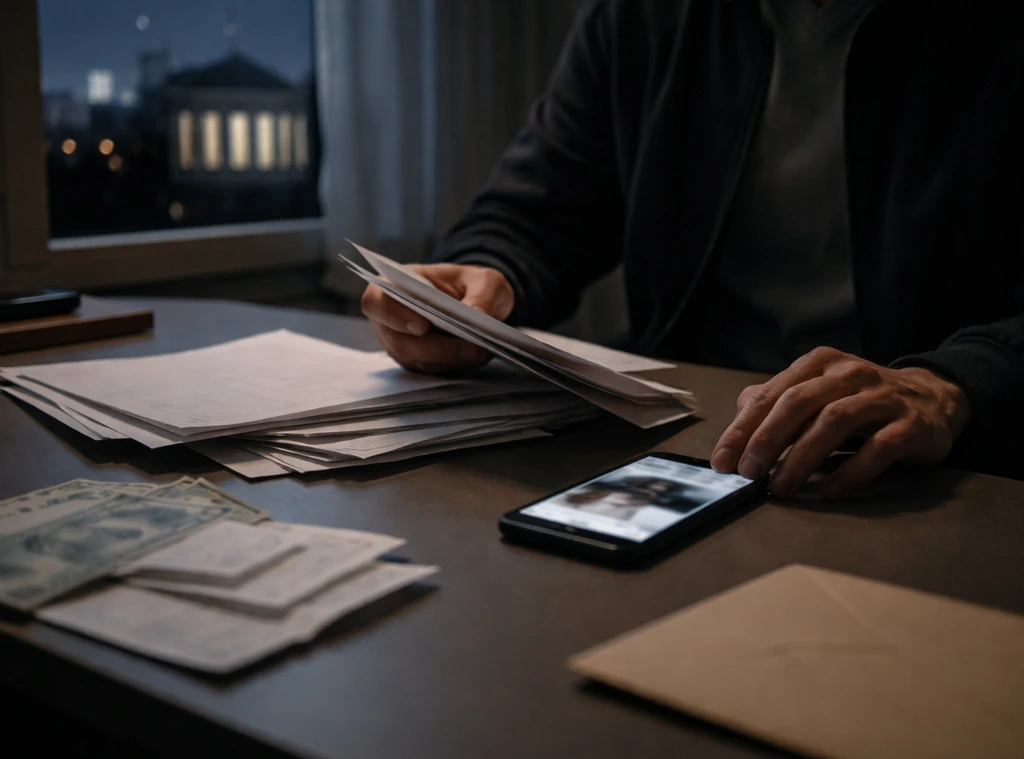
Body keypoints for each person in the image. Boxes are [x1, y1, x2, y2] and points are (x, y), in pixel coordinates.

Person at [362, 0, 1024, 500]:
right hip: (692, 432)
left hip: (937, 471)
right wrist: (476, 278)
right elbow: (539, 206)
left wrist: (953, 383)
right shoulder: (645, 16)